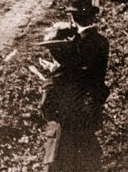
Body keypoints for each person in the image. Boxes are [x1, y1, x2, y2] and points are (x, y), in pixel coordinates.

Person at [35, 22, 105, 172]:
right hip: (84, 137)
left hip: (61, 143)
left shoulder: (55, 80)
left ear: (57, 53)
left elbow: (46, 109)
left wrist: (50, 79)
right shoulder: (83, 72)